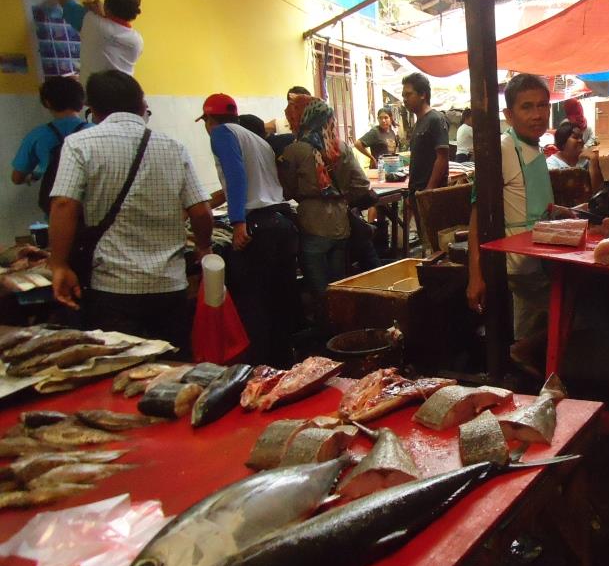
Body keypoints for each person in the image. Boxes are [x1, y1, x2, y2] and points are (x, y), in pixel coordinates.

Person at [47, 70, 212, 351]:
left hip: (113, 288)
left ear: (93, 110)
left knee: (123, 372)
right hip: (169, 286)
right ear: (141, 105)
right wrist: (204, 248)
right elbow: (200, 211)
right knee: (172, 373)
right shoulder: (173, 147)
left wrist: (60, 264)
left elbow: (64, 204)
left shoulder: (79, 144)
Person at [200, 92, 299, 368]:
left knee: (253, 303)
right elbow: (252, 181)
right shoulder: (257, 140)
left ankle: (258, 371)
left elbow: (236, 175)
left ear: (209, 118)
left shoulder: (220, 133)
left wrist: (237, 221)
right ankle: (283, 366)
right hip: (281, 222)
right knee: (279, 299)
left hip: (257, 227)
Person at [467, 73, 553, 375]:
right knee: (577, 310)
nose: (537, 114)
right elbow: (478, 213)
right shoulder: (503, 149)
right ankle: (521, 354)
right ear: (508, 114)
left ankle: (530, 359)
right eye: (527, 107)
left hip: (541, 257)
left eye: (543, 106)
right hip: (520, 265)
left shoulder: (536, 147)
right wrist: (475, 276)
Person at [278, 98, 373, 323]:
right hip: (341, 223)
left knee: (319, 289)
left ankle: (326, 333)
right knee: (338, 284)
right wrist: (341, 196)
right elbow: (361, 184)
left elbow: (285, 190)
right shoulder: (341, 148)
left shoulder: (295, 151)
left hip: (312, 224)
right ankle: (343, 326)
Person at [11, 76, 92, 212]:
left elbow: (17, 178)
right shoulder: (96, 131)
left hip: (56, 206)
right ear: (81, 100)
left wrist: (35, 175)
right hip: (92, 204)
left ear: (47, 103)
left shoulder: (37, 135)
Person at [58, 0, 143, 84]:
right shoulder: (138, 40)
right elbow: (111, 33)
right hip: (124, 96)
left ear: (107, 6)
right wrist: (102, 13)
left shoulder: (92, 22)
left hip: (96, 98)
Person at [402, 73, 449, 192]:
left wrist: (429, 189)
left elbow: (442, 158)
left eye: (408, 94)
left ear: (423, 94)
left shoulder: (435, 119)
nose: (404, 100)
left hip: (430, 195)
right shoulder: (418, 123)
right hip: (416, 192)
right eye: (403, 96)